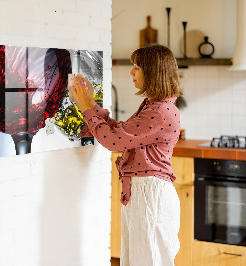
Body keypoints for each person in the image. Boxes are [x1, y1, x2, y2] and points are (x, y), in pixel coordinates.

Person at [70, 44, 182, 266]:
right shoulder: (155, 106)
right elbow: (120, 133)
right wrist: (91, 104)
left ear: (153, 72)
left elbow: (113, 141)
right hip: (145, 193)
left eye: (137, 67)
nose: (131, 72)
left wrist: (85, 108)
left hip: (150, 195)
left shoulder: (159, 111)